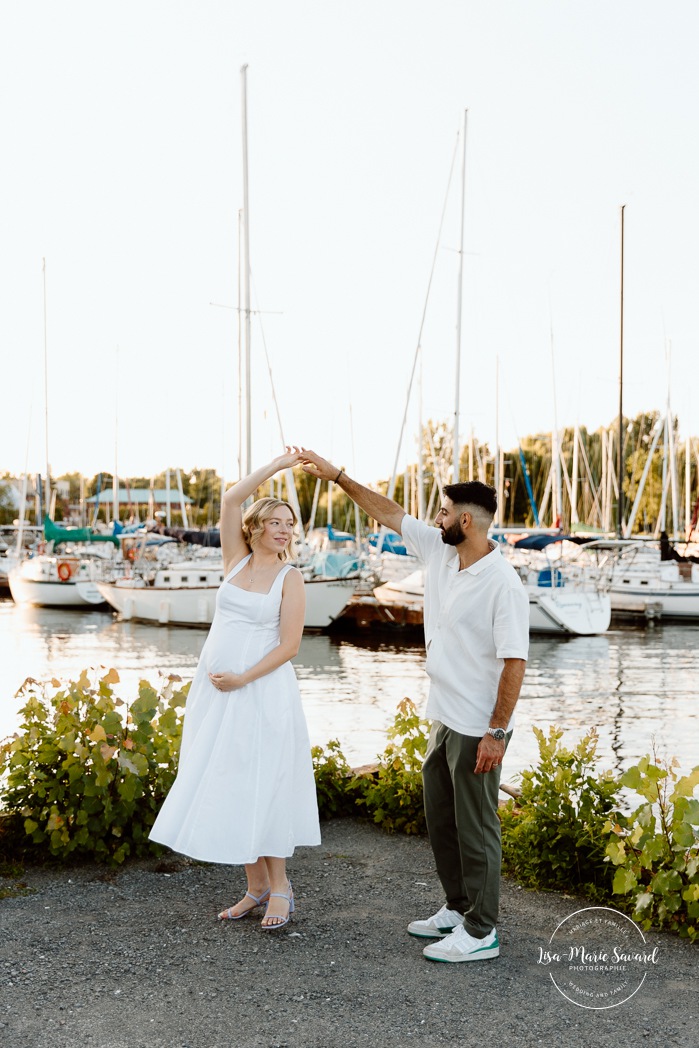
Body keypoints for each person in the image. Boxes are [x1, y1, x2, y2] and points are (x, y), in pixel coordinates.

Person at [301, 451, 529, 963]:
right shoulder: (442, 553)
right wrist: (337, 476)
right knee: (441, 819)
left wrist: (497, 732)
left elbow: (514, 662)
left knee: (477, 829)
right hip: (443, 714)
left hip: (477, 724)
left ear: (465, 521)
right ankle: (458, 906)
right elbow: (389, 512)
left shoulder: (503, 584)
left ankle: (482, 931)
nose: (435, 519)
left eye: (443, 513)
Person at [149, 449, 321, 930]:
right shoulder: (234, 561)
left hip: (261, 692)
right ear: (256, 527)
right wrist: (276, 467)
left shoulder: (290, 577)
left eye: (290, 524)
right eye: (275, 522)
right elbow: (230, 499)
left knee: (264, 781)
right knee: (229, 779)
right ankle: (255, 886)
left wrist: (243, 678)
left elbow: (289, 646)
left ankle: (281, 887)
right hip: (215, 693)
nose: (284, 530)